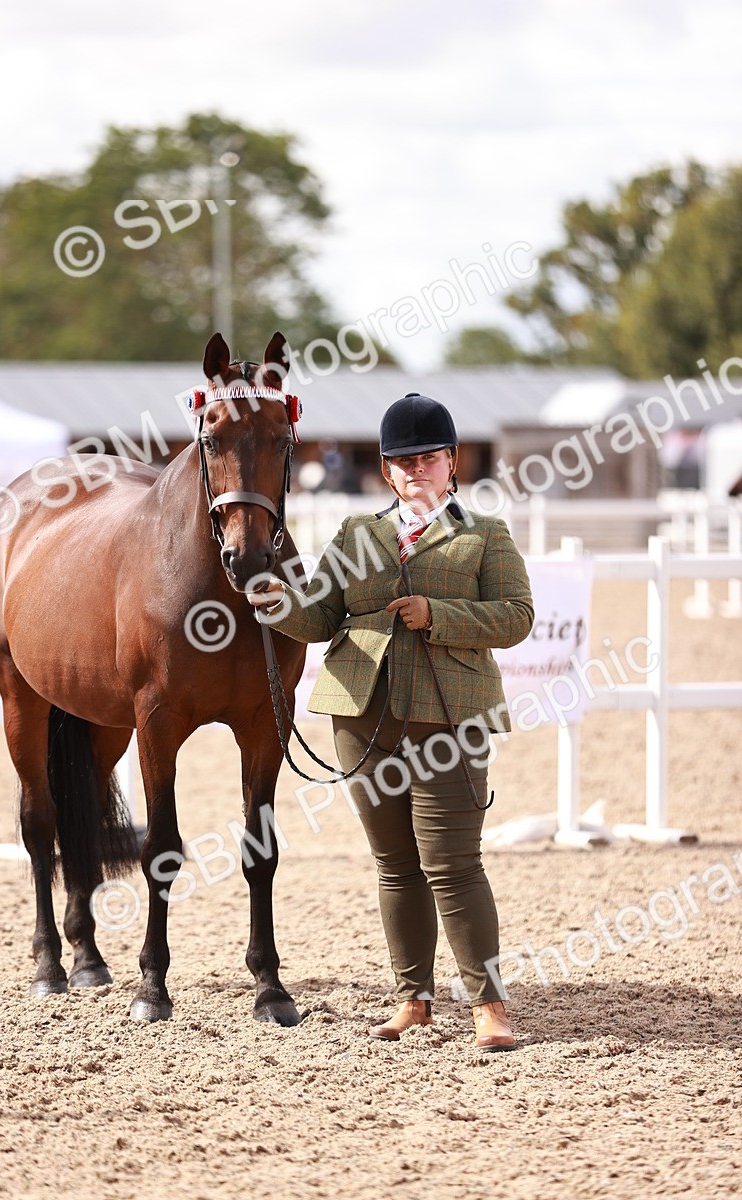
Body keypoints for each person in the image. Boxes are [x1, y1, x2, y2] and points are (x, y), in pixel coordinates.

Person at [246, 392, 533, 1050]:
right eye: (402, 461)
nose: (415, 471)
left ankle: (490, 1007)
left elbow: (517, 617)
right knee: (395, 865)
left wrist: (440, 615)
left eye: (428, 458)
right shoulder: (357, 535)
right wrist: (276, 603)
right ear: (385, 467)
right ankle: (415, 1000)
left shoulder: (484, 535)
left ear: (453, 462)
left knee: (453, 864)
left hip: (449, 718)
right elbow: (321, 616)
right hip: (363, 716)